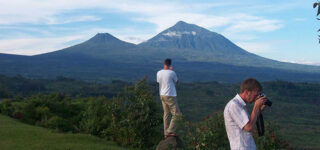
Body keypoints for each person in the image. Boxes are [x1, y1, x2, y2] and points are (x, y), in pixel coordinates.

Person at [224, 78, 267, 150]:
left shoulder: (241, 105)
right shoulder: (234, 105)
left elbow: (249, 123)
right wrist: (256, 107)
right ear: (247, 92)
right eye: (255, 95)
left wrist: (259, 110)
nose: (256, 98)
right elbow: (248, 127)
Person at [157, 58, 181, 139]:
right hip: (170, 95)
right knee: (177, 114)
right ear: (170, 64)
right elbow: (177, 81)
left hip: (162, 95)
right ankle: (170, 131)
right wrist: (171, 71)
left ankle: (165, 132)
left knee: (166, 113)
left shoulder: (159, 73)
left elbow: (159, 82)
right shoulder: (172, 73)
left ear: (164, 64)